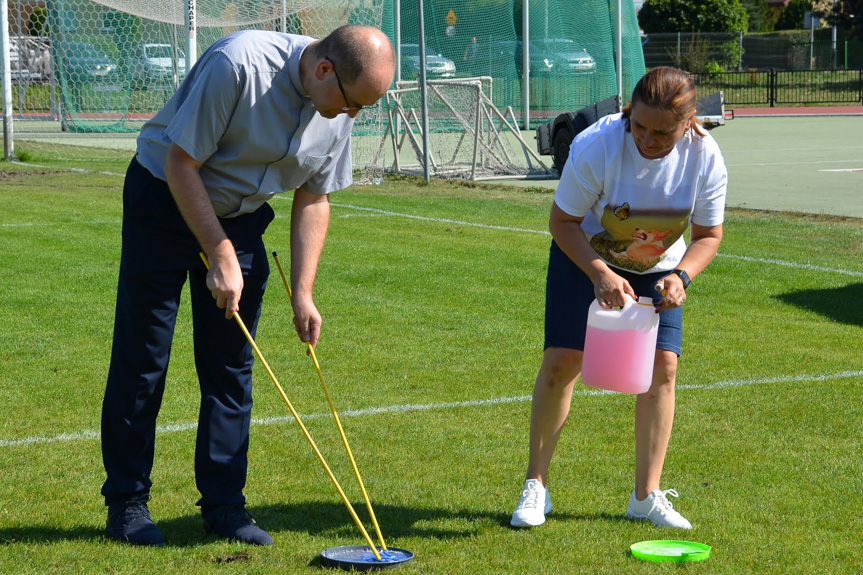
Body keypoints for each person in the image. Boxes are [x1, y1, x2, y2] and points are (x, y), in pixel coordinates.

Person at [100, 25, 396, 547]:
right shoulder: (237, 66)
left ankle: (224, 507)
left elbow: (313, 197)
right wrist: (218, 255)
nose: (353, 116)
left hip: (240, 216)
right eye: (353, 105)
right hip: (164, 199)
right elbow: (180, 163)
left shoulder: (341, 101)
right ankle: (127, 504)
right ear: (325, 70)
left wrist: (302, 292)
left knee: (232, 366)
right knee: (144, 358)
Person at [510, 66, 727, 529]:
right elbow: (562, 222)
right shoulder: (597, 144)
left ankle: (645, 497)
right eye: (640, 127)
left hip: (659, 267)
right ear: (629, 113)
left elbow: (708, 235)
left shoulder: (705, 157)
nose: (648, 140)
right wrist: (599, 273)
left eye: (662, 132)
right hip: (583, 255)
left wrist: (683, 277)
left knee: (662, 368)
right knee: (564, 359)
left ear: (689, 123)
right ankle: (536, 487)